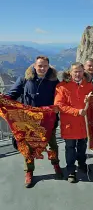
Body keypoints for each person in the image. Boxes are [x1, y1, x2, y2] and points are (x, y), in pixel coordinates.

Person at [7, 55, 63, 188]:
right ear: (34, 65)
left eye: (45, 66)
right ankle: (29, 171)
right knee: (28, 147)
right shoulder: (25, 79)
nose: (42, 68)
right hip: (29, 122)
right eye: (40, 65)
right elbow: (12, 94)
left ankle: (56, 165)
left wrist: (57, 108)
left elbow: (59, 97)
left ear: (49, 66)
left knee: (53, 145)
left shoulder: (54, 80)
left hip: (49, 122)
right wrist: (4, 99)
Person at [54, 62, 93, 183]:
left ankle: (82, 164)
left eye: (80, 71)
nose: (77, 74)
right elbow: (59, 104)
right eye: (75, 71)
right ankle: (71, 170)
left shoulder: (89, 86)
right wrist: (77, 111)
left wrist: (90, 101)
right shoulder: (61, 86)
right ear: (70, 72)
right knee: (70, 147)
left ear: (84, 72)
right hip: (69, 124)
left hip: (83, 124)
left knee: (82, 146)